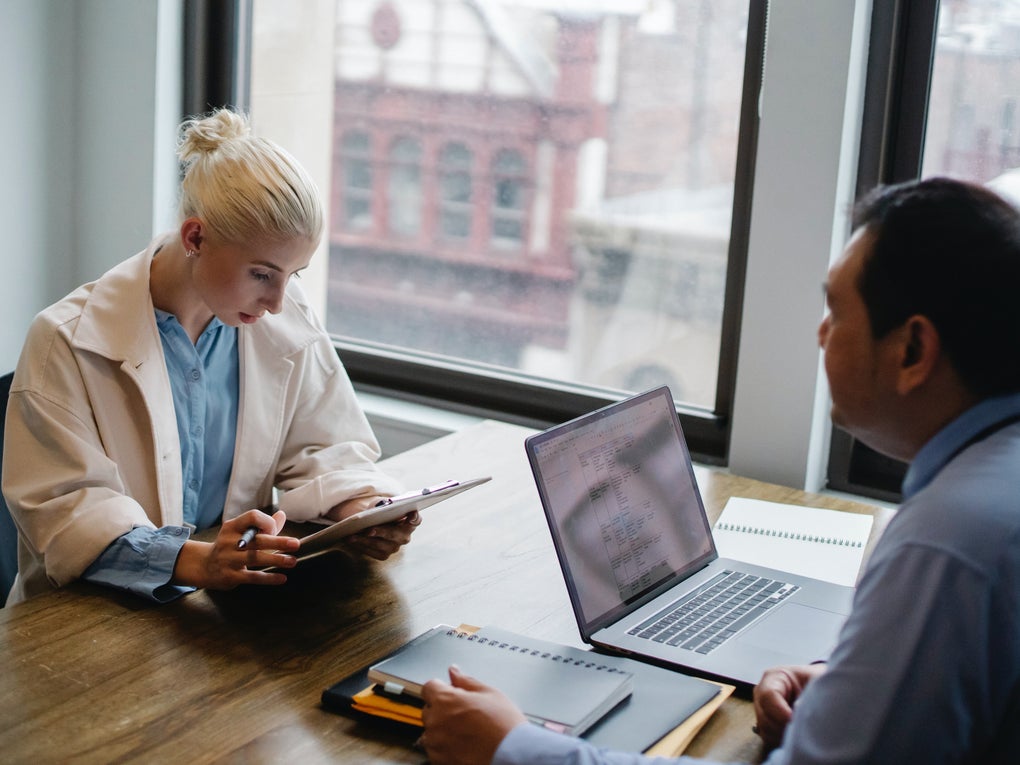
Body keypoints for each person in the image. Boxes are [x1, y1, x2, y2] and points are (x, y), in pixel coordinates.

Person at [417, 177, 1020, 764]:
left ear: (913, 351)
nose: (820, 333)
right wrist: (853, 689)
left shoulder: (949, 543)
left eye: (836, 311)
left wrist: (515, 749)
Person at [2, 108, 418, 605]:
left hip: (222, 613)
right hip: (81, 626)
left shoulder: (276, 316)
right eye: (262, 274)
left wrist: (362, 507)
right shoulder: (64, 340)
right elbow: (68, 515)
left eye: (295, 274)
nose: (279, 302)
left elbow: (324, 445)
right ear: (195, 237)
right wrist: (199, 562)